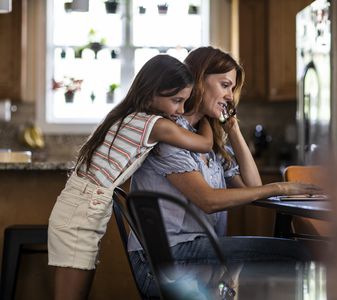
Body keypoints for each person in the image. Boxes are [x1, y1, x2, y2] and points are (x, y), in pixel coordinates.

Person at [128, 46, 322, 298]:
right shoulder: (170, 134)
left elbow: (252, 186)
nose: (230, 96)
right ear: (199, 80)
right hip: (165, 262)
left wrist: (233, 129)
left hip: (196, 252)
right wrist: (280, 187)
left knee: (292, 253)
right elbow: (208, 201)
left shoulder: (207, 137)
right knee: (296, 254)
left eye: (232, 88)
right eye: (225, 85)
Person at [47, 54, 214, 300]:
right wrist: (208, 114)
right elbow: (205, 144)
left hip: (81, 207)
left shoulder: (127, 114)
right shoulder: (156, 125)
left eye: (185, 102)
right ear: (152, 93)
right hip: (80, 213)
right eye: (176, 101)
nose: (180, 111)